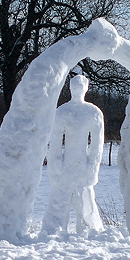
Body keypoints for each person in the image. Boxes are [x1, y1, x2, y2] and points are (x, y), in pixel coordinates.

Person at [42, 75, 104, 234]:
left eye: (81, 85)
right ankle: (54, 229)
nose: (78, 88)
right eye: (74, 85)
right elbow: (54, 143)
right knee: (59, 199)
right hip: (66, 165)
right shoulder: (62, 112)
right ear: (70, 88)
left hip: (82, 165)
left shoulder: (93, 112)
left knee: (85, 199)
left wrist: (92, 167)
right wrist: (55, 164)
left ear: (86, 88)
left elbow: (97, 145)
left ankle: (87, 228)